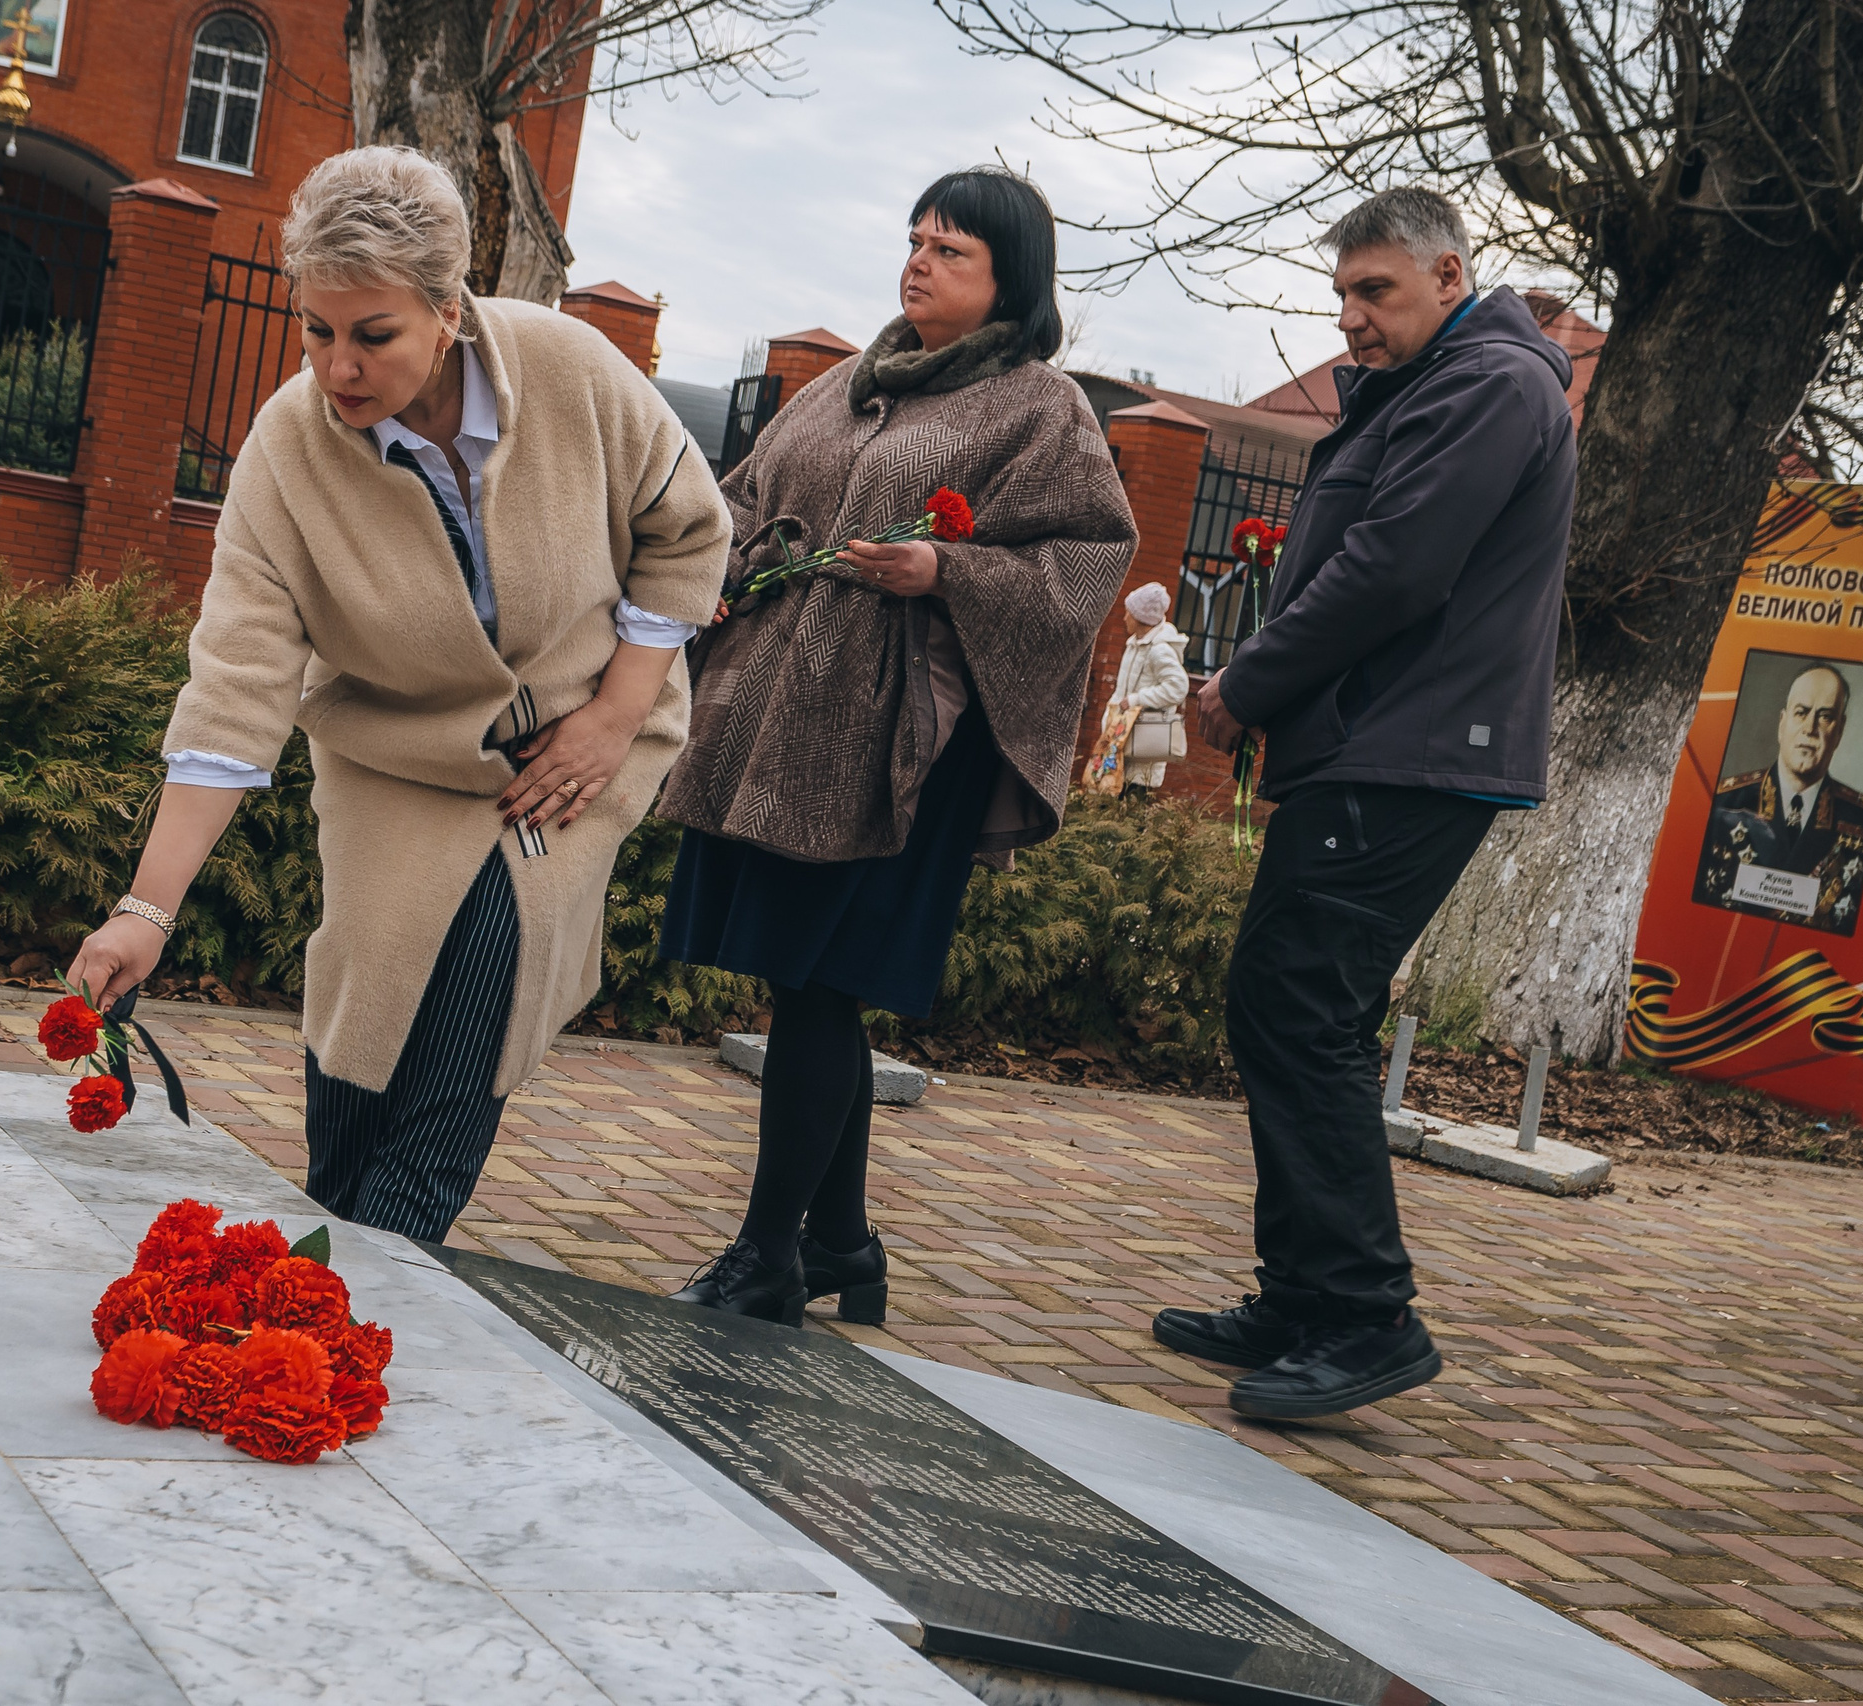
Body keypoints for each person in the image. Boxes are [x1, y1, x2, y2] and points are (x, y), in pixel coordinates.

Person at [64, 147, 728, 1242]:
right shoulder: (284, 452)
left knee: (474, 997)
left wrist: (615, 714)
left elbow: (687, 527)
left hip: (578, 739)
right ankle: (322, 1270)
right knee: (364, 1034)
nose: (337, 368)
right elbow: (237, 684)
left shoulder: (571, 369)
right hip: (393, 756)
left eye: (372, 334)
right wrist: (147, 908)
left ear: (448, 310)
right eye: (316, 330)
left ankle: (357, 1295)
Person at [656, 166, 1138, 1326]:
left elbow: (1087, 562)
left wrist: (946, 569)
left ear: (1009, 280)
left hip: (906, 745)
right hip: (782, 721)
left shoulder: (1038, 406)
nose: (918, 262)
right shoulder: (838, 385)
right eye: (915, 240)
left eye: (951, 250)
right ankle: (840, 1243)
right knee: (808, 986)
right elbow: (740, 493)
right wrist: (719, 574)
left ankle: (769, 1256)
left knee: (822, 989)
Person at [1157, 186, 1576, 1419]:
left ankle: (1362, 1313)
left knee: (1300, 1006)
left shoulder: (1490, 386)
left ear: (1449, 277)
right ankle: (1300, 1295)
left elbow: (1390, 569)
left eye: (1375, 291)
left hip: (1411, 749)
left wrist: (1245, 681)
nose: (1350, 318)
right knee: (1284, 1000)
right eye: (1342, 293)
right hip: (1380, 744)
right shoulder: (1434, 386)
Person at [1693, 663, 1863, 934]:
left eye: (1825, 717)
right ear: (1782, 723)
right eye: (1801, 713)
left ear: (1840, 731)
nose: (1810, 728)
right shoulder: (1722, 803)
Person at [1102, 581, 1191, 791]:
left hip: (1143, 751)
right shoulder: (1135, 644)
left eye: (1128, 613)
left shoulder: (1159, 649)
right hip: (1121, 745)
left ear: (1141, 617)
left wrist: (1136, 700)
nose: (1125, 618)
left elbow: (1178, 686)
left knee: (1131, 814)